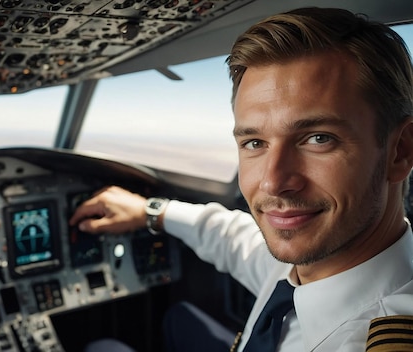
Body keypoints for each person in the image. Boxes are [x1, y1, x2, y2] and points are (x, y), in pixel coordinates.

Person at [69, 6, 413, 352]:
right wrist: (150, 211)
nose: (272, 182)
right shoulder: (313, 260)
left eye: (318, 138)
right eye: (254, 143)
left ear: (400, 151)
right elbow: (234, 238)